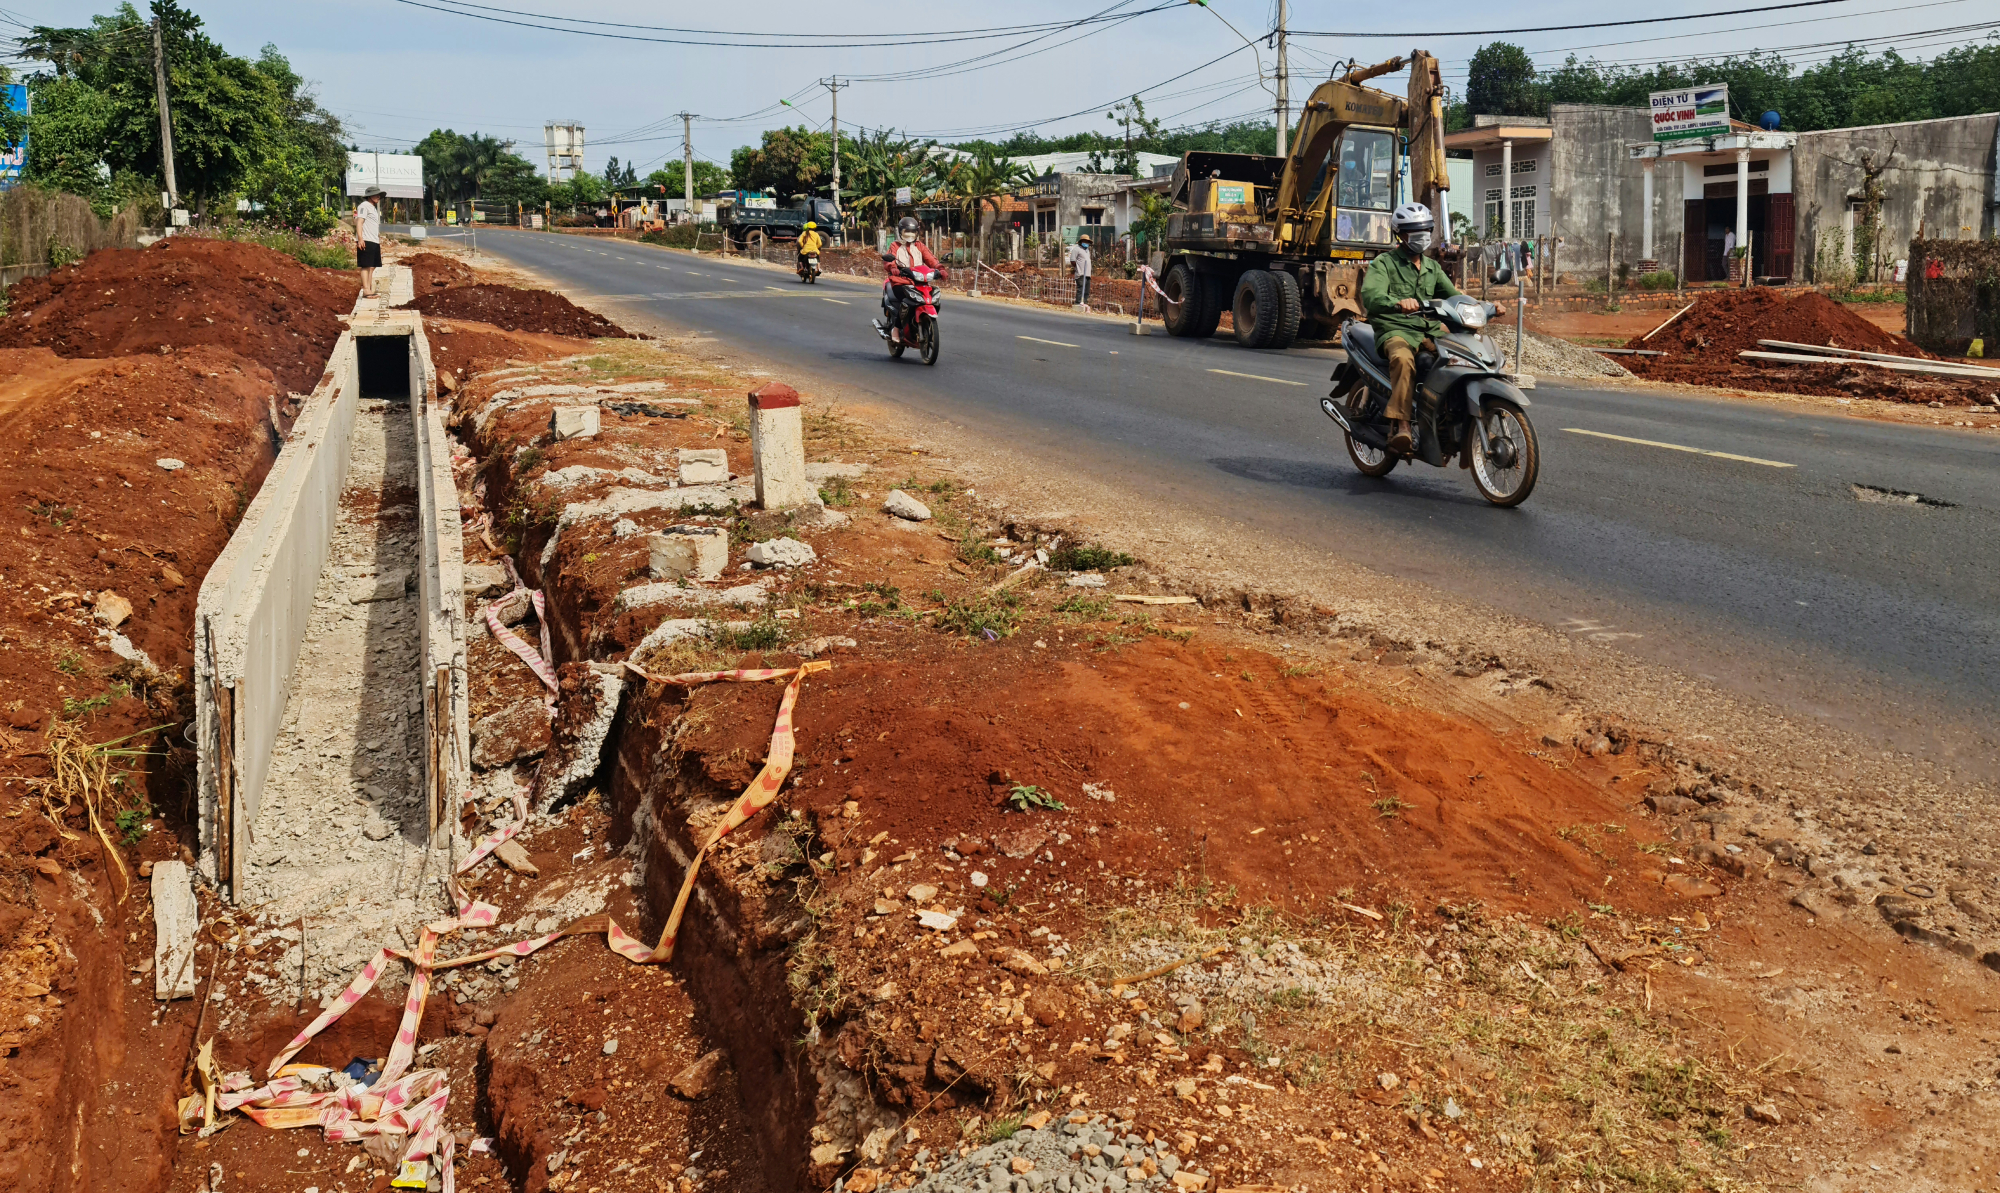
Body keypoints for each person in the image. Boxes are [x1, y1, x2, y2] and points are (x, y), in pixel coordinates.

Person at [1358, 203, 1502, 455]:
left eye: (1425, 230)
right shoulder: (1384, 264)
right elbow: (1371, 295)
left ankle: (1462, 419)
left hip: (1429, 331)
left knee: (1464, 358)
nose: (1421, 236)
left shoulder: (1432, 267)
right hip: (1396, 330)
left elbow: (1455, 296)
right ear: (1400, 234)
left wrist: (1486, 306)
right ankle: (1403, 426)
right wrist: (1397, 303)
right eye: (1414, 231)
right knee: (1403, 360)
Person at [875, 216, 944, 344]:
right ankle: (896, 329)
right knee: (906, 301)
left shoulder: (920, 246)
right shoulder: (895, 245)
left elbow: (931, 259)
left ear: (917, 233)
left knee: (933, 298)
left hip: (919, 281)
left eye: (912, 232)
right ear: (900, 232)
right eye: (907, 232)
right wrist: (893, 268)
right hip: (900, 281)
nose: (910, 235)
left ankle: (922, 323)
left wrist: (940, 269)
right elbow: (889, 260)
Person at [355, 186, 384, 299]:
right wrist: (360, 239)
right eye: (375, 195)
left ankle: (370, 288)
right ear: (369, 196)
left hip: (374, 240)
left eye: (379, 195)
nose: (378, 197)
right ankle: (366, 290)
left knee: (372, 266)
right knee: (366, 265)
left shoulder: (373, 208)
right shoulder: (364, 206)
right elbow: (359, 222)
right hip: (366, 239)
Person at [1068, 233, 1093, 307]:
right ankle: (1078, 303)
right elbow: (1073, 261)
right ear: (1081, 241)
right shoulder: (1076, 249)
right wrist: (1078, 267)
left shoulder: (1087, 250)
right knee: (1081, 288)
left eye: (1087, 242)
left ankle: (1084, 303)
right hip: (1081, 273)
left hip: (1087, 273)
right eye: (1085, 241)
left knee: (1086, 290)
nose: (1086, 243)